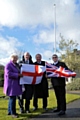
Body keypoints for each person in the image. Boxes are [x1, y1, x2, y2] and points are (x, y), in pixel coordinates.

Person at [3, 54, 23, 118]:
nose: (15, 59)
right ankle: (13, 113)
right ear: (11, 58)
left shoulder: (15, 65)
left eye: (16, 58)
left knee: (11, 98)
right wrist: (18, 75)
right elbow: (8, 74)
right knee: (13, 98)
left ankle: (9, 111)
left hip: (14, 84)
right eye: (14, 58)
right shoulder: (8, 65)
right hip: (11, 84)